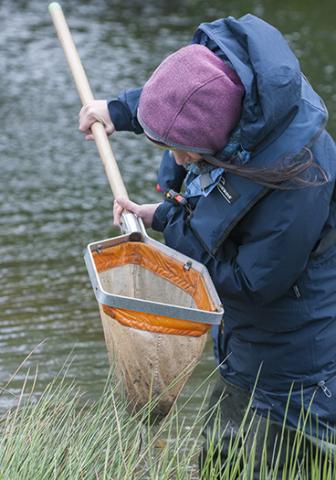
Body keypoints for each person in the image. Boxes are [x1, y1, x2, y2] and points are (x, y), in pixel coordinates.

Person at [79, 14, 336, 478]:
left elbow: (251, 282)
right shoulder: (232, 85)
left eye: (183, 149)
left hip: (297, 365)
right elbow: (180, 95)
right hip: (242, 346)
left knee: (294, 465)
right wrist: (117, 111)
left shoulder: (301, 178)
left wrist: (168, 232)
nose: (176, 159)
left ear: (220, 138)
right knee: (219, 463)